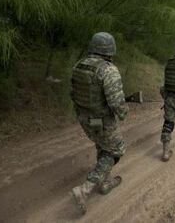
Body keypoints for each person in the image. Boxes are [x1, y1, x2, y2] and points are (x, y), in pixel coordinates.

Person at [70, 32, 128, 214]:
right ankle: (85, 189)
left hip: (85, 119)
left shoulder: (78, 66)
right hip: (102, 120)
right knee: (115, 150)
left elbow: (73, 94)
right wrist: (124, 112)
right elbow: (116, 102)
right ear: (109, 50)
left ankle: (105, 181)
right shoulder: (108, 69)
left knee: (102, 145)